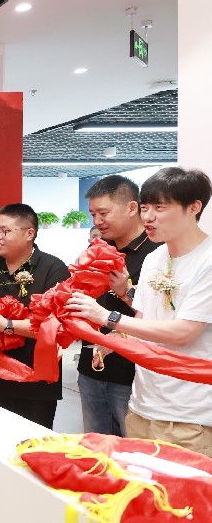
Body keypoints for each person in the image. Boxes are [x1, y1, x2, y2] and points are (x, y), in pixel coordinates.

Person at [67, 167, 212, 456]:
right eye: (145, 208)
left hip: (189, 415)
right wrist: (114, 341)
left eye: (160, 208)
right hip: (142, 405)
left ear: (194, 207)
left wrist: (107, 318)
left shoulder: (207, 260)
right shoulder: (155, 257)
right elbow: (143, 321)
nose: (148, 217)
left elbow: (184, 332)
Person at [0, 203, 70, 428]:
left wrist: (7, 325)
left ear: (29, 233)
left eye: (5, 231)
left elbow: (57, 327)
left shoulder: (53, 269)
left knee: (33, 442)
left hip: (36, 381)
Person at [75, 176, 159, 436]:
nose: (97, 221)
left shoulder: (157, 253)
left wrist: (126, 292)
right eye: (93, 214)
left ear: (132, 208)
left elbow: (161, 317)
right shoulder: (96, 250)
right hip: (90, 368)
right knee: (95, 445)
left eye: (103, 213)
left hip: (132, 375)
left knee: (133, 449)